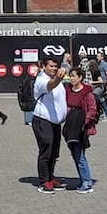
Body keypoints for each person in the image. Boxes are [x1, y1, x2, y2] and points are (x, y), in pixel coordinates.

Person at [32, 55, 68, 194]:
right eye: (51, 66)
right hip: (42, 119)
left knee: (54, 151)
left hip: (55, 121)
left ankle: (51, 178)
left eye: (55, 66)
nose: (54, 68)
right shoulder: (42, 79)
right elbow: (49, 86)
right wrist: (58, 79)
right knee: (46, 149)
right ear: (44, 67)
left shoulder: (57, 81)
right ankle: (43, 181)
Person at [63, 67, 97, 193]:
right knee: (75, 153)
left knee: (79, 154)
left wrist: (83, 123)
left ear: (80, 78)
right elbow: (65, 105)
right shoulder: (68, 90)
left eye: (74, 76)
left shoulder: (87, 92)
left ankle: (87, 182)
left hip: (81, 127)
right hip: (70, 125)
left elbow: (92, 110)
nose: (71, 78)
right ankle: (83, 179)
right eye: (70, 76)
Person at [88, 57, 107, 122]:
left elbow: (101, 81)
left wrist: (92, 82)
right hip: (97, 87)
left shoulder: (96, 72)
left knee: (97, 98)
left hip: (99, 87)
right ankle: (105, 114)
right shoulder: (93, 72)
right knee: (101, 100)